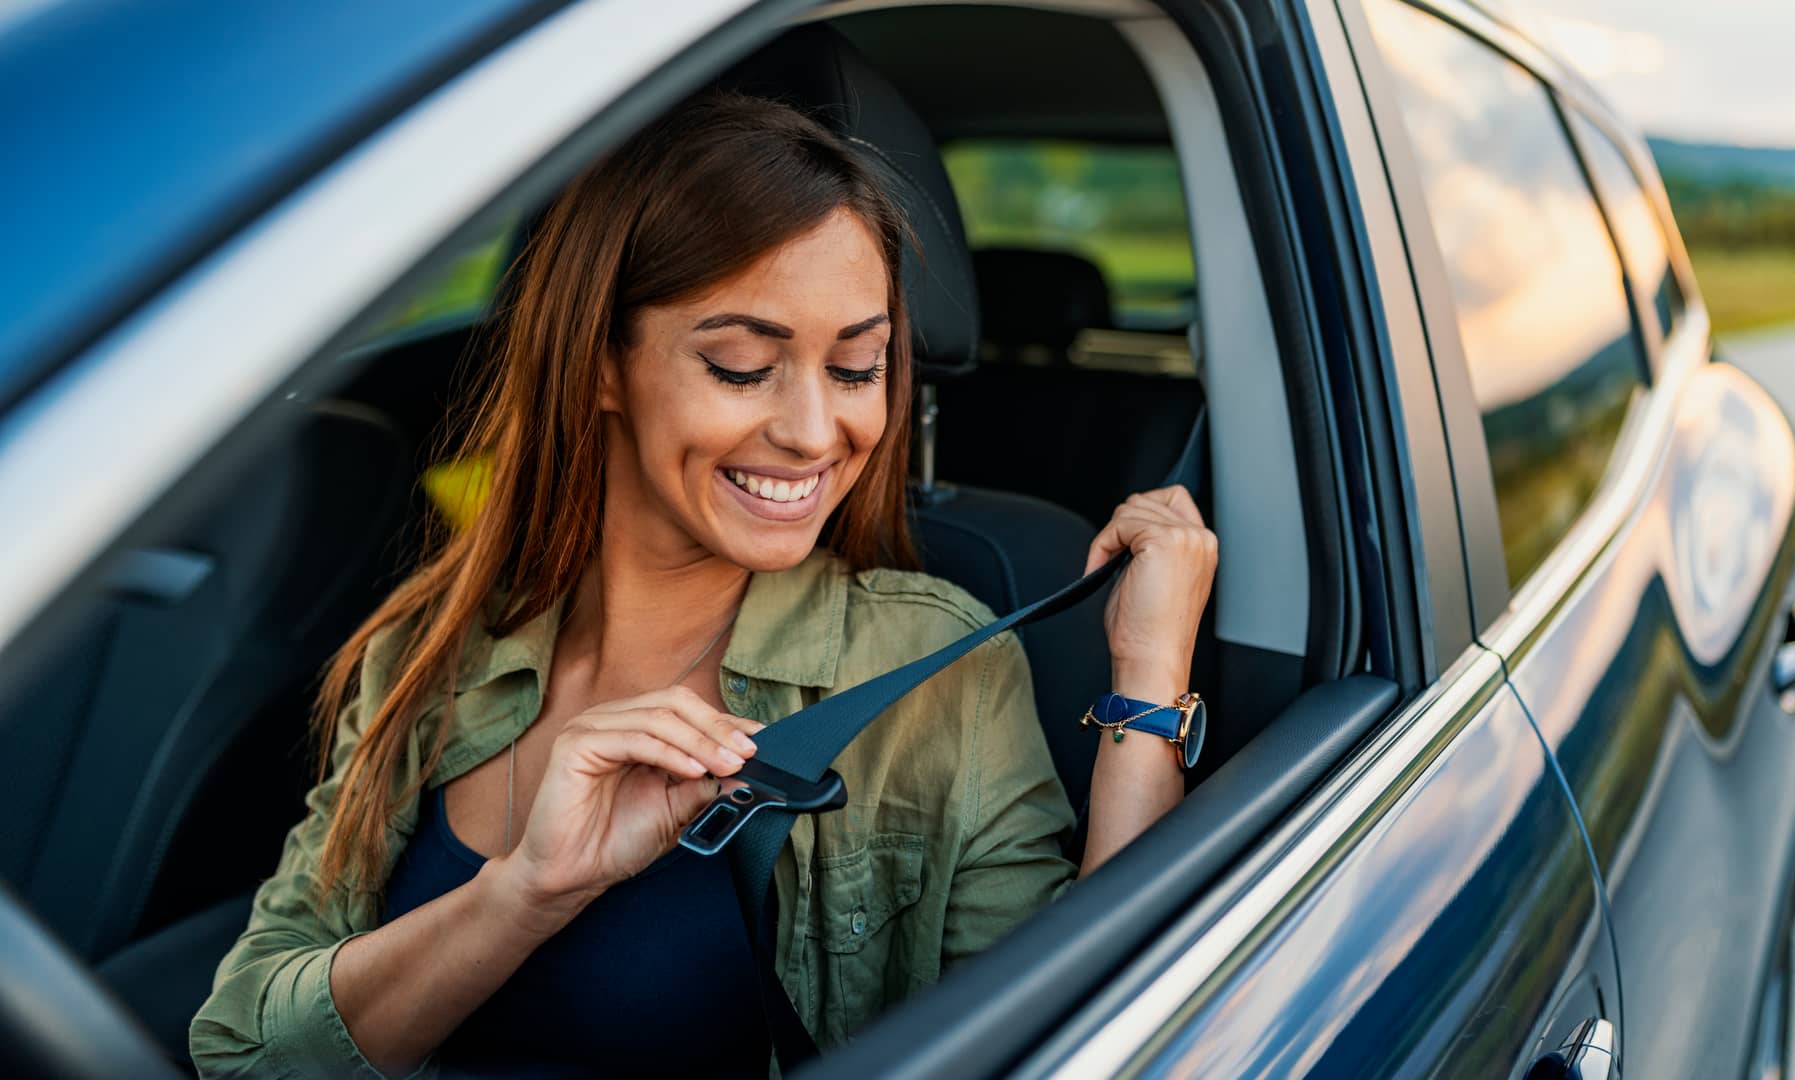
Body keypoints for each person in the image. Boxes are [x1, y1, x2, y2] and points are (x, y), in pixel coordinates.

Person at [189, 92, 1216, 1078]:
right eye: (739, 366)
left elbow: (1085, 1033)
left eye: (858, 369)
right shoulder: (424, 651)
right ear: (596, 363)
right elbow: (245, 1049)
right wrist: (525, 896)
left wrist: (1148, 680)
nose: (816, 433)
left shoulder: (930, 667)